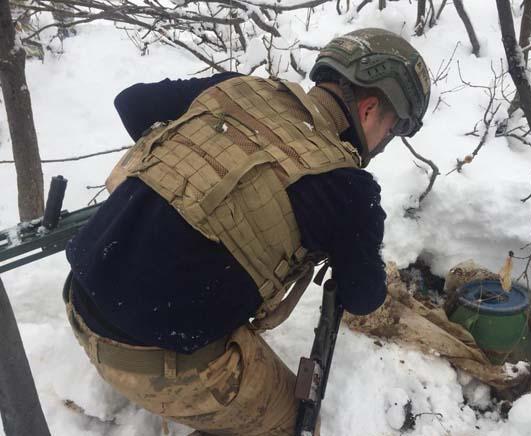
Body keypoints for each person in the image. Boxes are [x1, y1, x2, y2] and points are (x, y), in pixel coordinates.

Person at [64, 28, 430, 436]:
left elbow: (131, 103)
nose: (385, 143)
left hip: (79, 298)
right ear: (368, 109)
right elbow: (364, 297)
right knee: (295, 424)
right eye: (392, 129)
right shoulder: (349, 189)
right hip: (155, 363)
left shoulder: (238, 90)